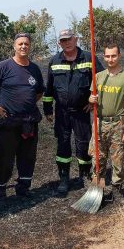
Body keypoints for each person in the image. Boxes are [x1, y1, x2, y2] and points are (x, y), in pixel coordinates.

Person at [43, 29, 104, 196]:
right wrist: (48, 109)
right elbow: (49, 88)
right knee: (63, 144)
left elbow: (101, 80)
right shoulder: (54, 61)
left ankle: (84, 174)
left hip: (81, 112)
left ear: (75, 39)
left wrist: (93, 101)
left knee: (83, 144)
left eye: (69, 39)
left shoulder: (89, 58)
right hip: (62, 113)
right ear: (59, 43)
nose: (67, 42)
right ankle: (64, 177)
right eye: (63, 40)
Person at [0, 33, 44, 207]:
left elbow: (39, 91)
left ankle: (24, 188)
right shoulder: (3, 67)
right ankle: (0, 192)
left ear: (30, 46)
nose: (23, 47)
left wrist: (26, 105)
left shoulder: (34, 69)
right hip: (8, 122)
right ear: (14, 46)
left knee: (28, 157)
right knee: (5, 158)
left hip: (29, 121)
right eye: (20, 44)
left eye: (26, 44)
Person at [88, 44, 124, 201]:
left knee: (118, 159)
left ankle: (117, 189)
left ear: (119, 56)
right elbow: (91, 103)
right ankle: (98, 189)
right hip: (99, 123)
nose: (110, 59)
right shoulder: (98, 77)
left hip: (118, 124)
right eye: (108, 56)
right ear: (104, 57)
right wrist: (90, 100)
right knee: (97, 158)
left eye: (114, 56)